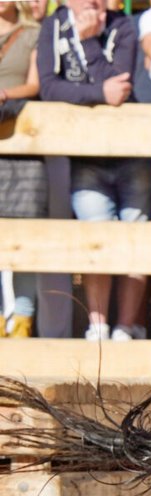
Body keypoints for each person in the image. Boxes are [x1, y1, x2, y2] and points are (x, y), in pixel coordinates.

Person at [38, 0, 151, 341]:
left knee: (136, 237)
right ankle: (98, 326)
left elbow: (119, 87)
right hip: (86, 154)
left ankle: (126, 327)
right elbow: (49, 88)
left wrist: (88, 43)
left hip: (133, 151)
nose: (92, 2)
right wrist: (97, 92)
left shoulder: (124, 26)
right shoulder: (53, 26)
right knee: (96, 237)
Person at [0, 0, 43, 339]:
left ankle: (23, 320)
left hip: (22, 145)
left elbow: (34, 84)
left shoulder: (33, 34)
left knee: (25, 238)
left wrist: (4, 93)